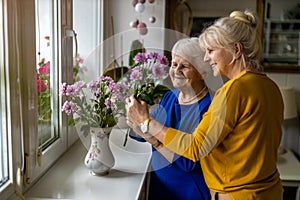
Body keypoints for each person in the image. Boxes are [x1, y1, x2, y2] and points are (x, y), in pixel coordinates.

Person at [126, 10, 284, 200]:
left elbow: (195, 148)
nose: (207, 58)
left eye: (211, 51)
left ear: (236, 50)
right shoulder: (270, 86)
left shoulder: (233, 91)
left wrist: (146, 123)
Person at [130, 37, 212, 200]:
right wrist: (134, 118)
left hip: (189, 192)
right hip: (160, 187)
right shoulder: (170, 96)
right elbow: (142, 132)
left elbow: (188, 163)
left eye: (185, 66)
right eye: (174, 64)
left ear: (203, 72)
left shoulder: (210, 107)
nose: (176, 70)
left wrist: (150, 133)